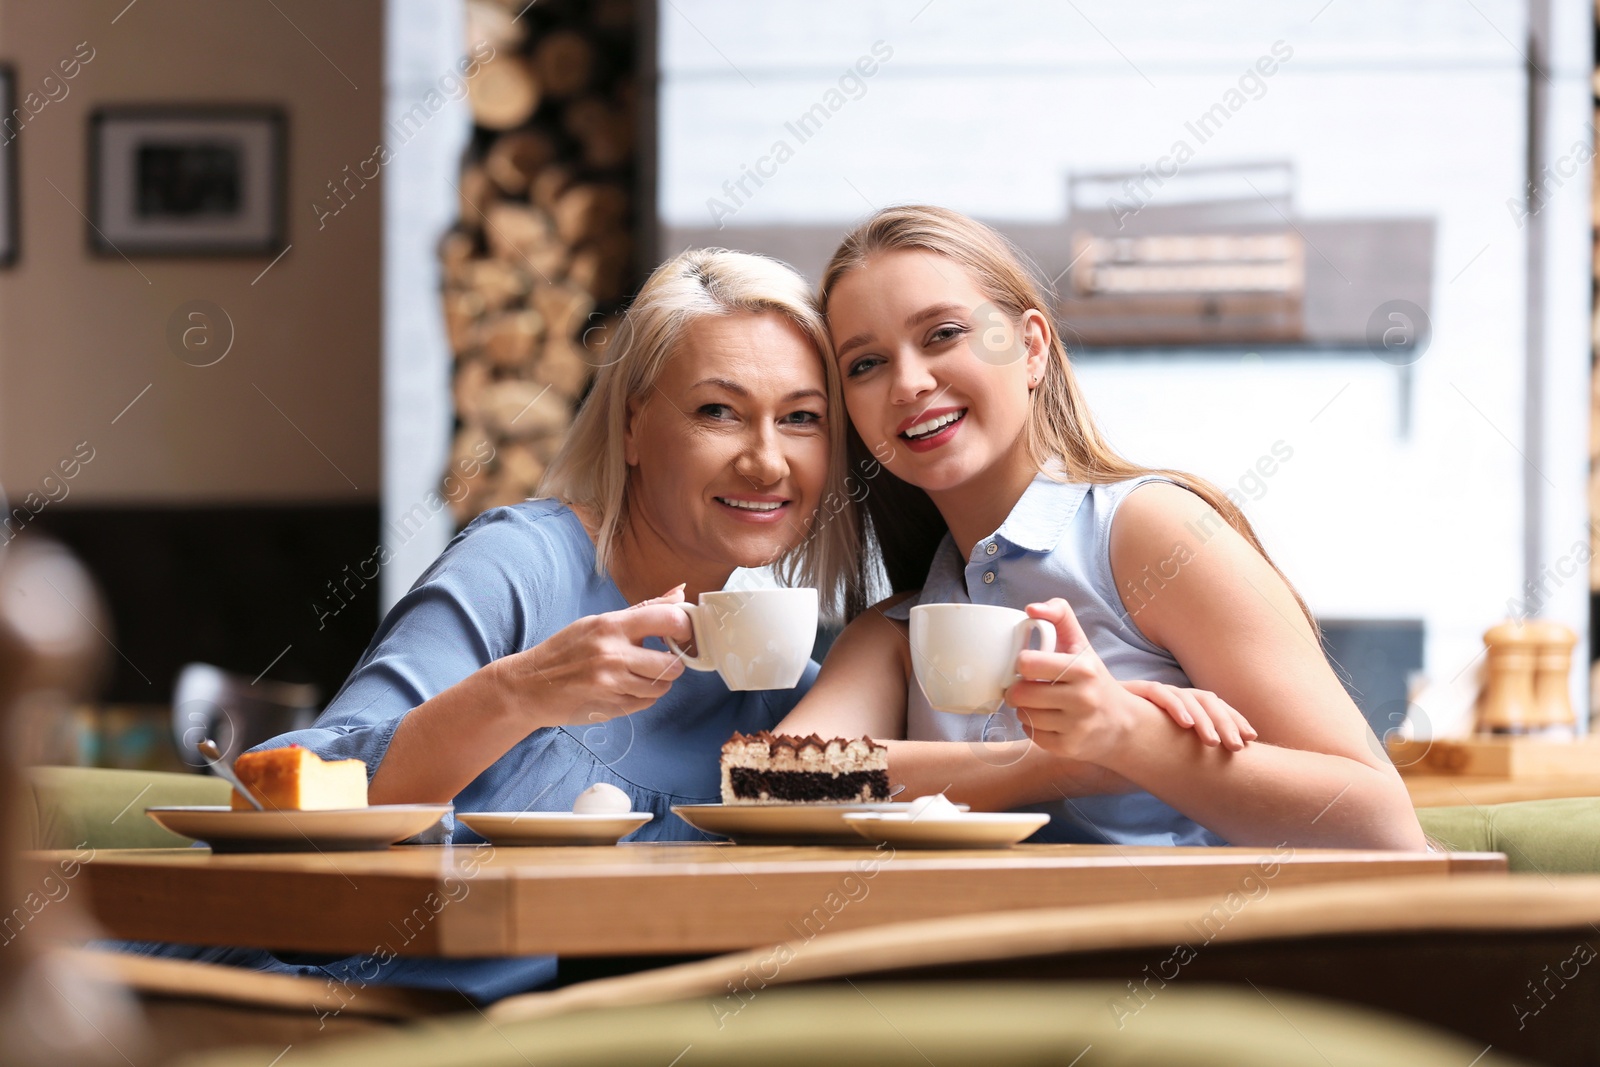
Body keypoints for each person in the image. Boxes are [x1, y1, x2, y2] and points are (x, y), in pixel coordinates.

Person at [777, 206, 1425, 851]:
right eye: (865, 364)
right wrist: (1051, 763)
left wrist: (1129, 734)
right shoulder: (903, 626)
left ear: (1031, 347)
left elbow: (1380, 822)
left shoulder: (1153, 531)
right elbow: (774, 779)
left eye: (943, 333)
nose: (909, 383)